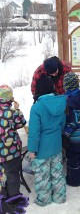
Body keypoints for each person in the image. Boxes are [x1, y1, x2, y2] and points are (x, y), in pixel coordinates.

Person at [28, 74, 66, 206]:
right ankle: (59, 197)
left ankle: (44, 199)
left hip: (42, 149)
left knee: (42, 176)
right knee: (57, 173)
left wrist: (32, 150)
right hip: (56, 145)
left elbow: (34, 132)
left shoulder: (37, 107)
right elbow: (62, 124)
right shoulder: (61, 102)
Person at [0, 84, 29, 213]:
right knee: (12, 174)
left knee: (2, 173)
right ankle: (13, 199)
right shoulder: (13, 113)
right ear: (10, 98)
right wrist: (17, 109)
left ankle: (3, 193)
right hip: (11, 151)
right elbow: (22, 123)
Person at [63, 72, 80, 186]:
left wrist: (65, 135)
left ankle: (74, 180)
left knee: (73, 159)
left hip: (75, 138)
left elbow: (72, 123)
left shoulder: (70, 102)